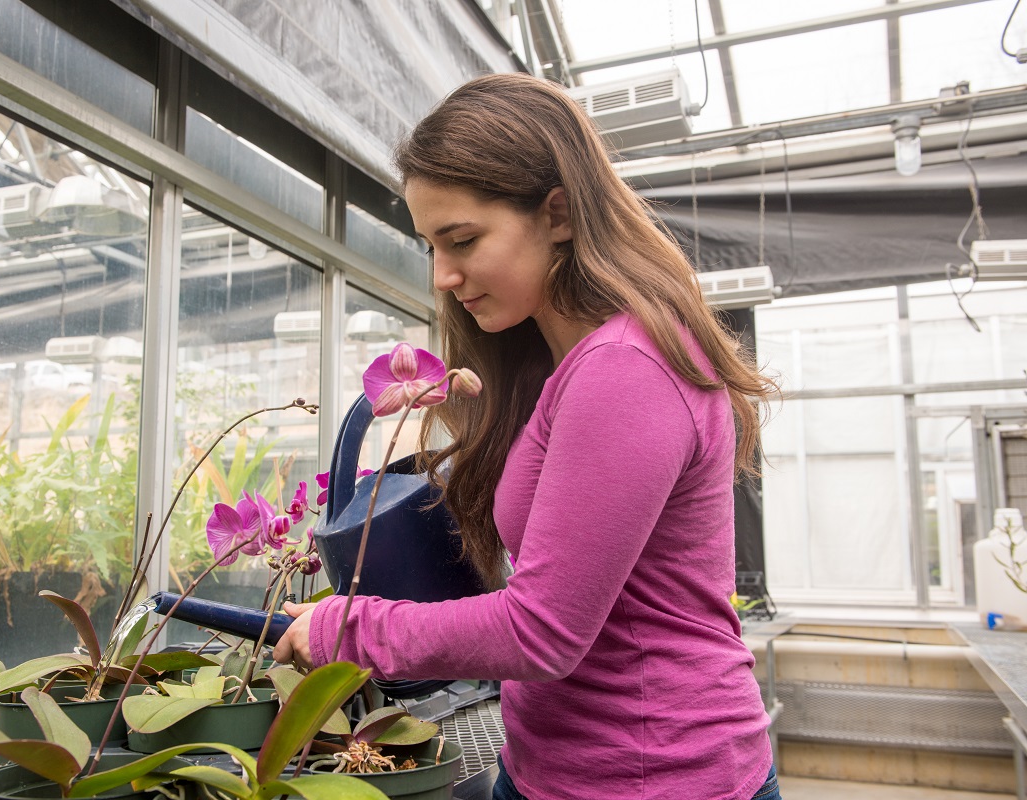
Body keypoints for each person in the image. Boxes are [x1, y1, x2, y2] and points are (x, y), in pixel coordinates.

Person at [273, 72, 781, 800]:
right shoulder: (567, 366)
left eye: (464, 239)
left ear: (560, 214)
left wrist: (348, 628)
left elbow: (542, 630)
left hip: (655, 778)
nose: (444, 275)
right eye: (432, 246)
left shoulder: (624, 369)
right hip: (554, 766)